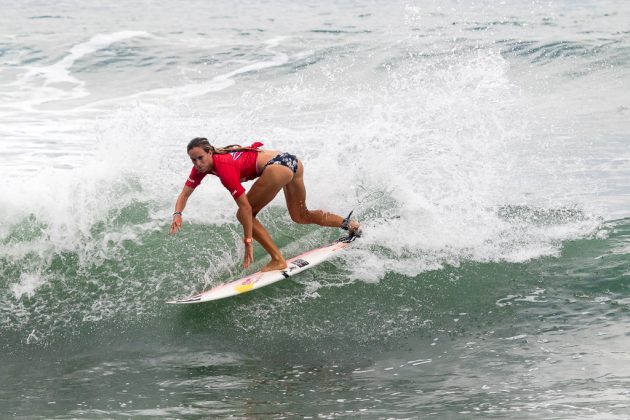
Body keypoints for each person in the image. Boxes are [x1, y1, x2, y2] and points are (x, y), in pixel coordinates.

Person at [169, 138, 361, 272]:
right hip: (291, 161)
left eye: (200, 158)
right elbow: (185, 192)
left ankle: (278, 259)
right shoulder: (201, 168)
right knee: (301, 215)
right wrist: (178, 213)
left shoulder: (224, 167)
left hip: (277, 168)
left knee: (244, 214)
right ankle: (351, 225)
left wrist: (248, 242)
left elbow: (245, 209)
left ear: (210, 152)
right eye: (193, 160)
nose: (197, 163)